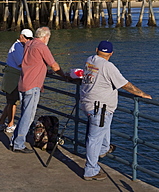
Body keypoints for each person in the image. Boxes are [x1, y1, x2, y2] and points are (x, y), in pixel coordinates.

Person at [80, 40, 152, 181]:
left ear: (96, 50)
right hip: (100, 108)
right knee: (94, 139)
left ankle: (102, 150)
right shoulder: (108, 66)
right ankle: (90, 170)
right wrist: (141, 93)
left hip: (87, 104)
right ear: (111, 53)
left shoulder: (89, 60)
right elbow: (125, 84)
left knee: (102, 136)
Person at [10, 26, 67, 153]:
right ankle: (18, 144)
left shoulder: (28, 44)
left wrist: (44, 70)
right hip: (33, 85)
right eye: (49, 37)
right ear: (45, 36)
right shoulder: (42, 46)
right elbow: (54, 64)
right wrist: (65, 76)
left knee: (24, 114)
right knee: (28, 117)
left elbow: (32, 62)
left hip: (23, 83)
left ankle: (14, 141)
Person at [0, 29, 34, 133]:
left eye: (30, 39)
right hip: (13, 77)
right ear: (21, 36)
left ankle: (1, 123)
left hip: (15, 77)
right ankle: (10, 124)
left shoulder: (22, 47)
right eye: (27, 38)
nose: (28, 40)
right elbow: (21, 64)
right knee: (12, 102)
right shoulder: (17, 47)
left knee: (12, 101)